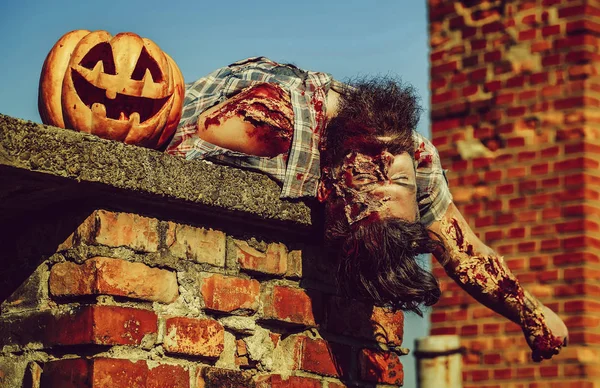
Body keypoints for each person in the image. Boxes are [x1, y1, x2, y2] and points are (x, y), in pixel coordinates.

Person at [166, 57, 568, 361]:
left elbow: (462, 251)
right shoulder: (277, 122)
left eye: (390, 181)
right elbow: (177, 150)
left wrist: (531, 314)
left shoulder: (405, 151)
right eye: (387, 179)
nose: (391, 166)